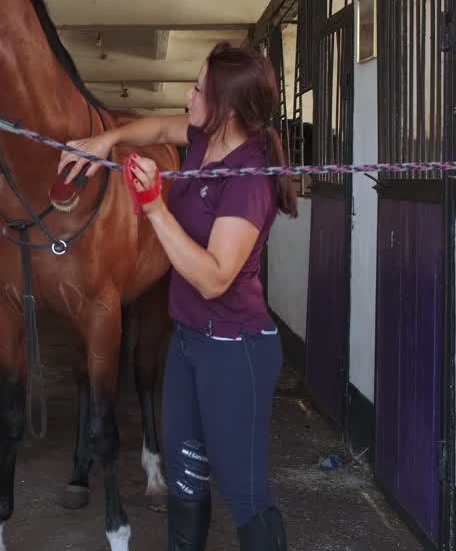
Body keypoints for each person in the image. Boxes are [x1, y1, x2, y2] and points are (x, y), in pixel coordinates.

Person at [57, 42, 297, 551]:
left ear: (227, 109)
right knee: (186, 483)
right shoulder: (205, 139)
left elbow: (214, 278)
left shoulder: (248, 177)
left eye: (197, 89)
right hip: (188, 343)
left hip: (233, 350)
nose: (187, 96)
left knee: (245, 494)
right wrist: (107, 139)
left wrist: (153, 207)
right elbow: (159, 130)